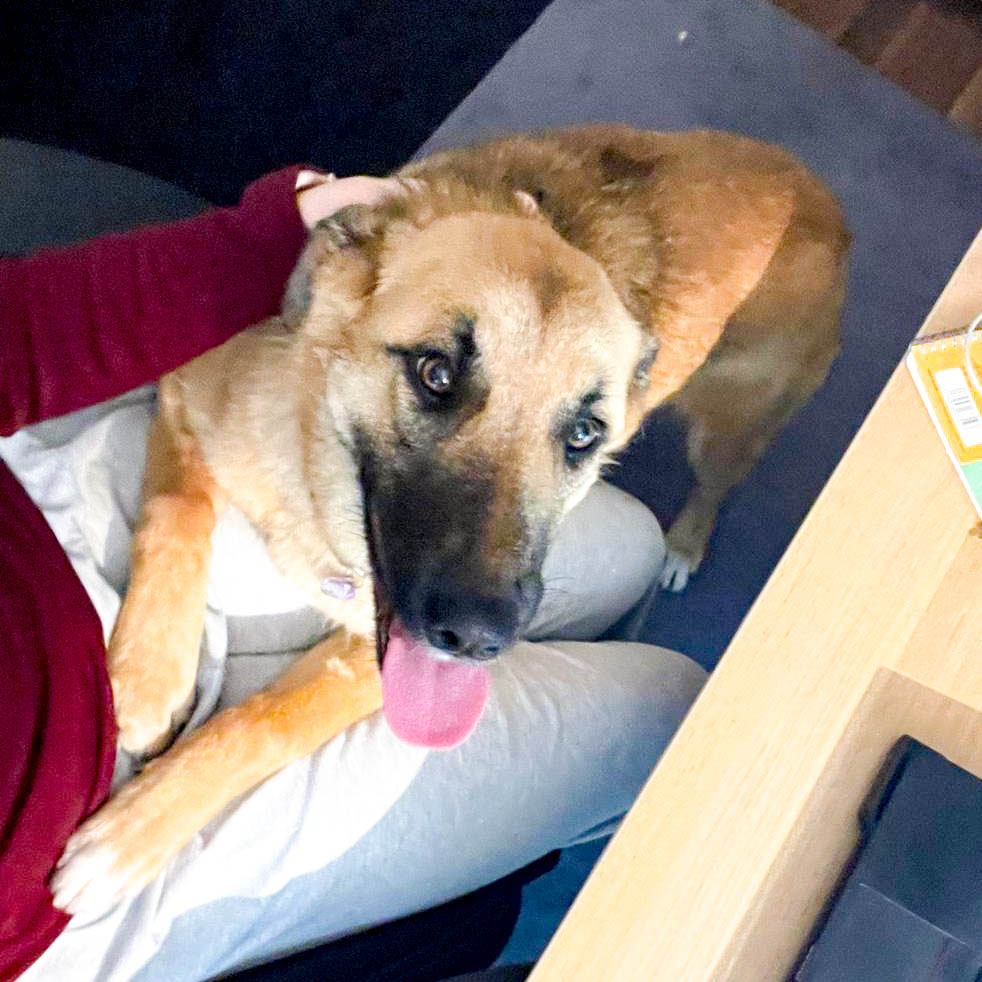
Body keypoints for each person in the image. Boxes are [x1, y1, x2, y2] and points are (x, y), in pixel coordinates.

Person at [0, 164, 706, 981]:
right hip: (50, 885)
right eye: (438, 377)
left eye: (581, 435)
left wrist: (256, 242)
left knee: (634, 549)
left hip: (47, 532)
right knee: (671, 710)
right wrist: (220, 763)